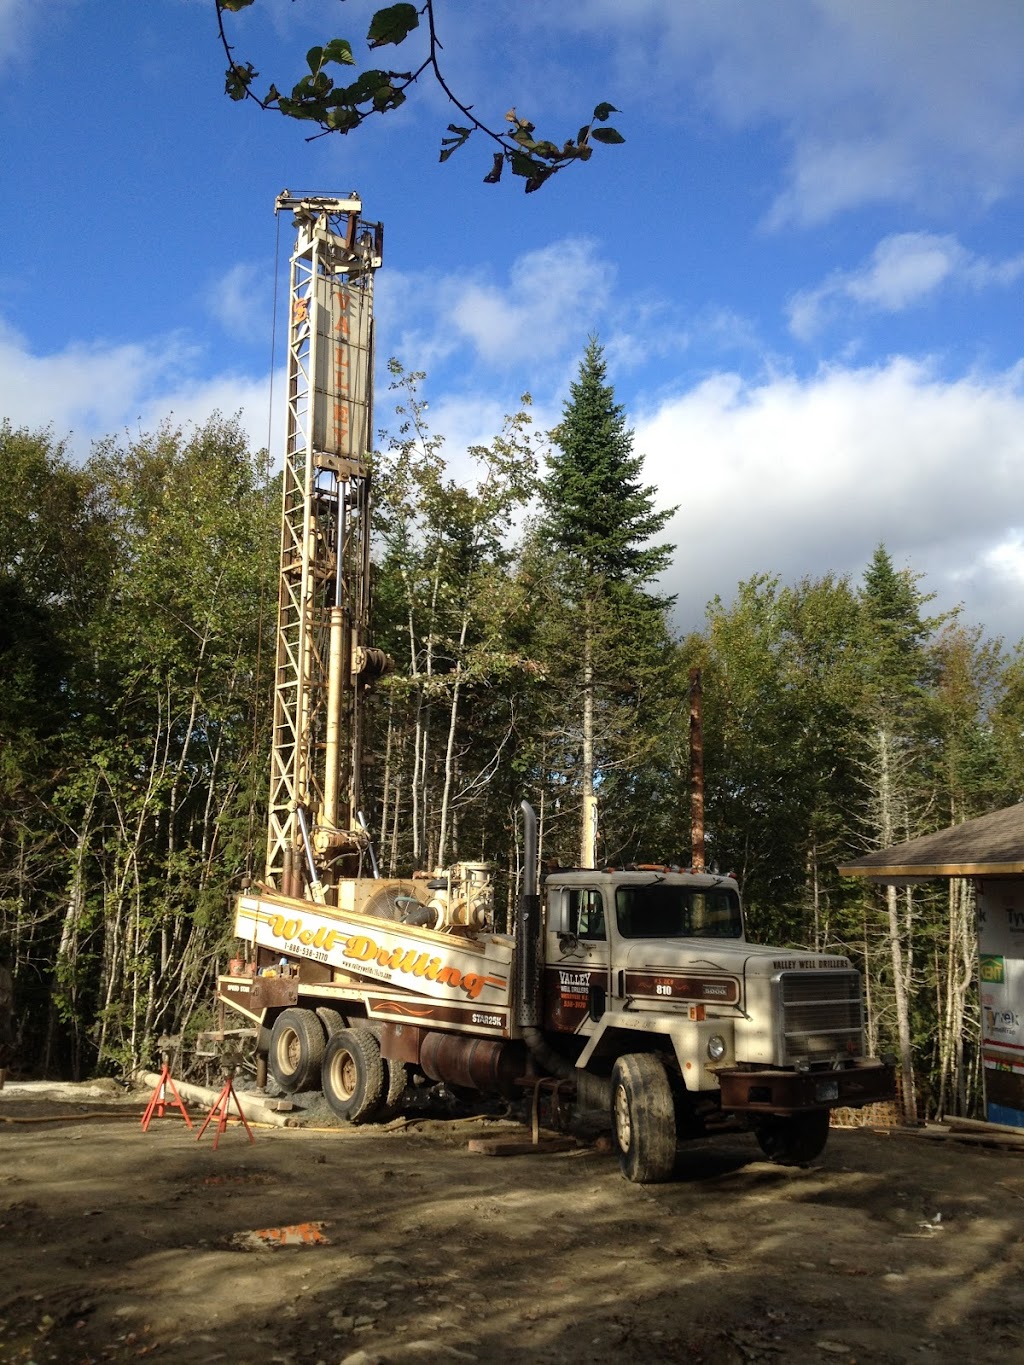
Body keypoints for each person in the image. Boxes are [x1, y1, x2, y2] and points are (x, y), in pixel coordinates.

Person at [0, 956, 14, 1090]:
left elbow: (6, 995)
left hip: (2, 1011)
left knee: (4, 1045)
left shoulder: (3, 973)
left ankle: (0, 1082)